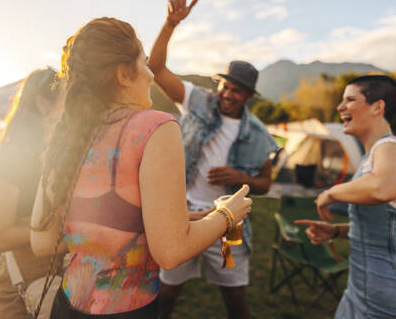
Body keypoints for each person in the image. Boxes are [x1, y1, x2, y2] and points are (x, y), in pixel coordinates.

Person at [29, 17, 253, 319]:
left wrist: (165, 219)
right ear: (123, 74)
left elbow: (41, 241)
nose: (150, 75)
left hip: (67, 307)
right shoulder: (155, 127)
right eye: (144, 64)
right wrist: (228, 215)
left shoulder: (68, 135)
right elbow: (171, 252)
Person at [147, 0, 276, 318]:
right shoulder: (199, 102)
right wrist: (170, 24)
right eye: (224, 86)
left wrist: (241, 178)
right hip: (184, 214)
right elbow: (155, 68)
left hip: (227, 222)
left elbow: (265, 184)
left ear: (247, 95)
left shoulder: (260, 135)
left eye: (236, 90)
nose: (227, 94)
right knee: (167, 294)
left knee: (234, 299)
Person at [296, 75, 396, 318]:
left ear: (378, 107)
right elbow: (388, 226)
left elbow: (383, 188)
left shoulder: (390, 147)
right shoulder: (373, 158)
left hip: (390, 303)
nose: (340, 107)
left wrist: (330, 193)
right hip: (359, 294)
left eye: (350, 100)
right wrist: (337, 231)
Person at [0, 67, 63, 319]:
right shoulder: (9, 159)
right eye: (66, 99)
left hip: (56, 283)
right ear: (42, 103)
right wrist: (59, 234)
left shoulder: (60, 154)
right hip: (17, 296)